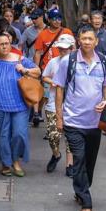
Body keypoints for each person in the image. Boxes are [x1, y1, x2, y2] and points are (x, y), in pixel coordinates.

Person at [53, 26, 106, 211]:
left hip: (94, 122)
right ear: (78, 41)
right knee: (79, 159)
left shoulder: (103, 61)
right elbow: (59, 89)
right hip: (73, 121)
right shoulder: (68, 61)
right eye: (84, 38)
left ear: (96, 41)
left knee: (89, 162)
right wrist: (59, 117)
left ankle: (81, 189)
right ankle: (87, 203)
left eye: (90, 38)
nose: (87, 42)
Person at [0, 32, 40, 177]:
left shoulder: (20, 59)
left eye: (6, 43)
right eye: (1, 44)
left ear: (10, 44)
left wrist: (24, 70)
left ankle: (16, 160)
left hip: (19, 105)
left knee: (19, 134)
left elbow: (38, 72)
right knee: (3, 135)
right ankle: (6, 163)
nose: (4, 46)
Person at [41, 34, 76, 175]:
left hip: (72, 106)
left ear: (72, 48)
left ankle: (70, 164)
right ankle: (56, 155)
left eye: (65, 49)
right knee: (52, 135)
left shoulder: (78, 64)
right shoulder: (54, 62)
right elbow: (44, 76)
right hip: (52, 103)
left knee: (70, 137)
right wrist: (53, 82)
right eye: (60, 48)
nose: (62, 51)